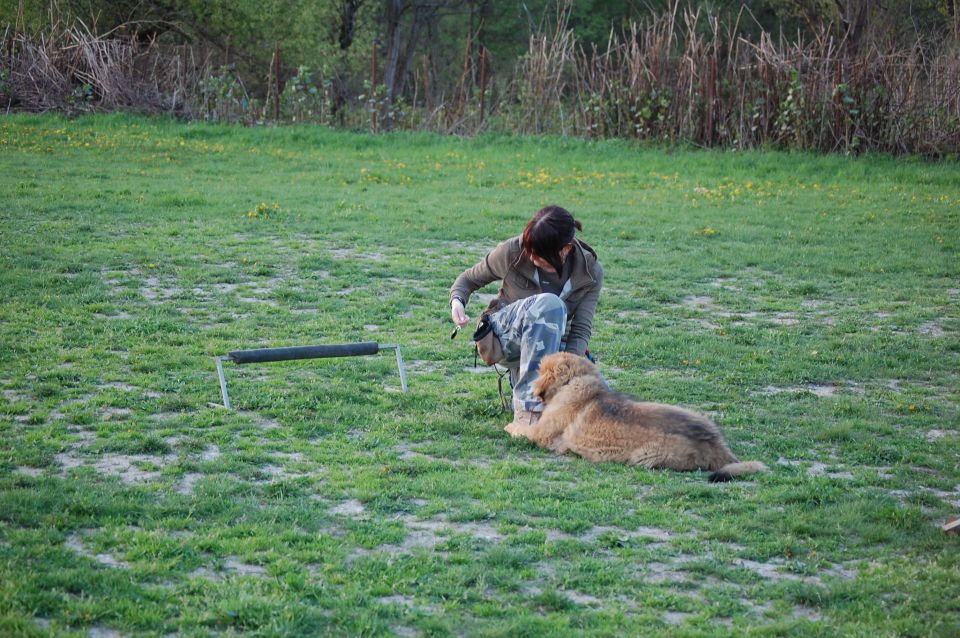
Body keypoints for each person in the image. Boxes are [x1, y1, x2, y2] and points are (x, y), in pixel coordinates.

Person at [449, 205, 603, 430]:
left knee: (596, 397)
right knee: (551, 304)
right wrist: (457, 303)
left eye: (538, 254)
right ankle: (528, 414)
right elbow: (467, 280)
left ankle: (529, 385)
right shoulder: (512, 251)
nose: (530, 256)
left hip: (550, 345)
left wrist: (565, 375)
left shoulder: (590, 272)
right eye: (529, 249)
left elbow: (580, 331)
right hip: (503, 337)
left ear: (565, 249)